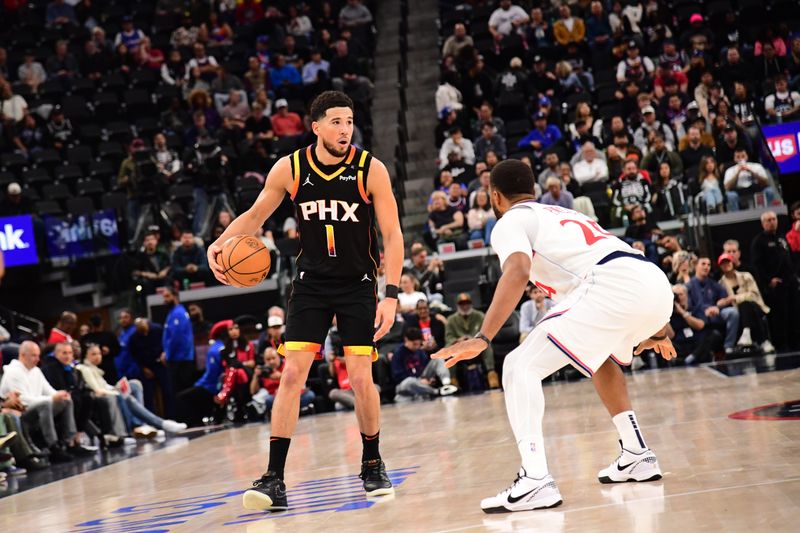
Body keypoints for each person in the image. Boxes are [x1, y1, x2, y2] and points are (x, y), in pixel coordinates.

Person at [433, 159, 673, 513]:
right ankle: (637, 453)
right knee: (601, 359)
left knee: (518, 366)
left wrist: (483, 338)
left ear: (495, 196)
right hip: (652, 281)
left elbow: (517, 270)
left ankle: (534, 480)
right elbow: (630, 277)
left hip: (610, 285)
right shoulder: (568, 215)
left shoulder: (511, 220)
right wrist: (656, 329)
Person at [207, 91, 403, 510]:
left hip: (358, 283)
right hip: (311, 283)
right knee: (292, 374)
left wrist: (392, 294)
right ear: (315, 127)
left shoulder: (371, 169)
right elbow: (257, 216)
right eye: (336, 122)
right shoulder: (291, 168)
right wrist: (220, 243)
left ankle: (372, 463)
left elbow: (393, 234)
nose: (345, 130)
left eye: (349, 122)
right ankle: (273, 478)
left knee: (360, 374)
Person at [0, 341, 95, 462]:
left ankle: (70, 442)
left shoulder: (36, 371)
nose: (38, 359)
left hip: (36, 408)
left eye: (38, 355)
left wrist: (60, 395)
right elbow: (23, 400)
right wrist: (51, 398)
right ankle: (53, 446)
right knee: (46, 404)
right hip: (22, 412)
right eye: (34, 355)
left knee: (66, 401)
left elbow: (49, 390)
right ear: (23, 355)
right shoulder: (13, 372)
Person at [751, 211, 799, 352]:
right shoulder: (759, 241)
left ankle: (795, 343)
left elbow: (790, 257)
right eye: (768, 220)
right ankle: (782, 345)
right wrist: (768, 281)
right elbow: (757, 265)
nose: (772, 222)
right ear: (763, 223)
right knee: (780, 317)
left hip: (790, 283)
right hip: (775, 286)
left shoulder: (781, 238)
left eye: (774, 219)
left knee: (794, 314)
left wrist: (795, 276)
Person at [717, 254, 774, 354]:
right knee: (742, 308)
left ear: (732, 263)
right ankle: (763, 341)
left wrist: (735, 298)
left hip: (755, 306)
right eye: (723, 263)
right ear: (720, 266)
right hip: (737, 312)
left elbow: (754, 295)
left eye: (728, 262)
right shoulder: (720, 284)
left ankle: (747, 332)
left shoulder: (746, 276)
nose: (726, 265)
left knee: (746, 304)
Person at [686, 257, 740, 354]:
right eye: (703, 264)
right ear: (696, 266)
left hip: (715, 313)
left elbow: (724, 300)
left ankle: (729, 346)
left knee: (733, 312)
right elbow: (688, 306)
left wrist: (717, 307)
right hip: (698, 317)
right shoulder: (689, 286)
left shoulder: (714, 284)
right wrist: (704, 311)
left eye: (709, 265)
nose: (706, 267)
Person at [445, 293, 498, 389]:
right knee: (448, 348)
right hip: (459, 346)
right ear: (457, 305)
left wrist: (474, 339)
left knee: (487, 345)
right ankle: (452, 380)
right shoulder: (451, 319)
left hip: (476, 344)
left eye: (467, 303)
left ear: (471, 303)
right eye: (462, 303)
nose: (465, 306)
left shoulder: (480, 316)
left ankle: (491, 374)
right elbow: (448, 337)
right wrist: (458, 340)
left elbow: (486, 333)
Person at [391, 328, 456, 402]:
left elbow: (426, 367)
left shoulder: (420, 351)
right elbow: (397, 376)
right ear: (406, 340)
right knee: (409, 382)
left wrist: (429, 379)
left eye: (419, 344)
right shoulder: (398, 353)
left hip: (422, 378)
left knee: (438, 359)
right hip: (406, 382)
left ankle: (446, 384)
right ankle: (437, 392)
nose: (417, 346)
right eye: (414, 344)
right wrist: (419, 380)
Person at [248, 347, 315, 419]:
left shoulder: (288, 365)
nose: (271, 361)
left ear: (278, 357)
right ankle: (296, 412)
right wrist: (255, 376)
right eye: (268, 359)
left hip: (293, 394)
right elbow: (252, 391)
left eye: (273, 358)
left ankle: (286, 413)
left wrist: (281, 377)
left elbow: (298, 382)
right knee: (268, 400)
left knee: (309, 395)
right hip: (275, 398)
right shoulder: (263, 371)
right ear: (264, 360)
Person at [128, 318, 173, 417]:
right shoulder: (134, 338)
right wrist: (143, 368)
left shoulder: (158, 329)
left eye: (145, 329)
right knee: (148, 396)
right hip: (146, 366)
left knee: (168, 392)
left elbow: (167, 342)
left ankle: (171, 417)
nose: (144, 332)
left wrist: (165, 353)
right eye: (140, 330)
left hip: (160, 363)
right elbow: (134, 355)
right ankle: (153, 420)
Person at [161, 288, 195, 396]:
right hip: (178, 359)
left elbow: (176, 338)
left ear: (175, 296)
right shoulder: (172, 313)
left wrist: (168, 355)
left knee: (182, 394)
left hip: (180, 360)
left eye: (167, 296)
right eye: (164, 297)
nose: (164, 300)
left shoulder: (178, 313)